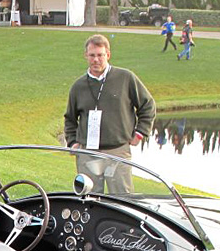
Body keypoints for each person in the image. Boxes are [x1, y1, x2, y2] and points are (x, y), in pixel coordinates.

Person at [63, 34, 155, 194]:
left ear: (108, 55)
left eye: (100, 55)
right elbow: (70, 119)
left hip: (118, 150)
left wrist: (140, 133)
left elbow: (148, 106)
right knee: (89, 200)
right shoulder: (78, 86)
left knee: (123, 199)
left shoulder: (126, 78)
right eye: (92, 55)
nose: (96, 60)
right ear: (86, 56)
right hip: (88, 153)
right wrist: (73, 143)